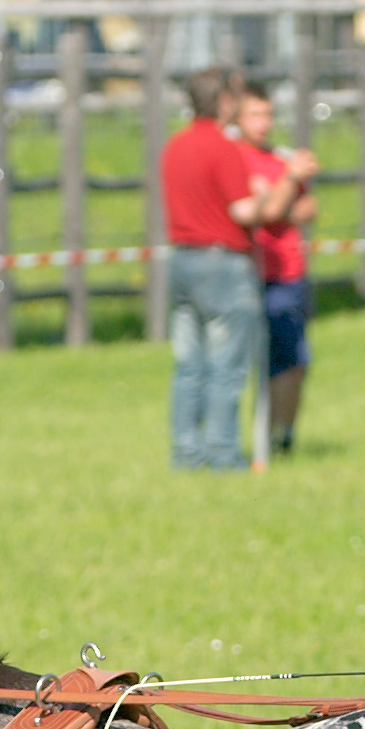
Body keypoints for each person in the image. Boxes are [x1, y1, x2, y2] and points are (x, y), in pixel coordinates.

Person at [157, 66, 282, 472]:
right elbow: (241, 209)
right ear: (225, 101)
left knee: (188, 365)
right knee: (227, 367)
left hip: (181, 261)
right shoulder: (222, 147)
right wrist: (267, 196)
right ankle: (224, 455)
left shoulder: (174, 146)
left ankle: (186, 454)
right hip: (223, 265)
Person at [231, 81, 321, 457]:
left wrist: (280, 200)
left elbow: (306, 210)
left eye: (268, 114)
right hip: (250, 273)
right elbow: (267, 212)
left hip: (288, 273)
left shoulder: (281, 158)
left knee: (293, 361)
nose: (263, 123)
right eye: (255, 114)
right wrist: (289, 183)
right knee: (244, 363)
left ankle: (282, 436)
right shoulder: (236, 158)